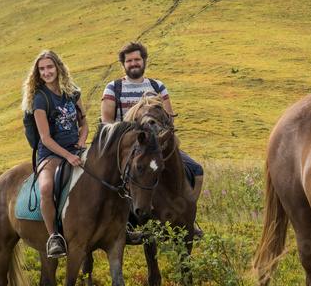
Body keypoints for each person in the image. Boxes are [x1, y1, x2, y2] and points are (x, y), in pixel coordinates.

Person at [101, 41, 204, 227]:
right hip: (127, 149)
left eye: (137, 59)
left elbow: (169, 119)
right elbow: (107, 122)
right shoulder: (113, 87)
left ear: (144, 60)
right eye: (129, 60)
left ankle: (188, 218)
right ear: (123, 64)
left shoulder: (157, 86)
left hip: (156, 147)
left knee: (196, 171)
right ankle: (117, 224)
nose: (133, 63)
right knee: (115, 181)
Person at [21, 50, 88, 258]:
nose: (46, 72)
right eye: (42, 69)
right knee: (47, 187)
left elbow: (83, 123)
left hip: (75, 149)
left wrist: (81, 141)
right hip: (50, 154)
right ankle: (54, 238)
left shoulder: (72, 92)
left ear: (58, 68)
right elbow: (45, 138)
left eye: (50, 67)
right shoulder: (40, 99)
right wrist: (67, 156)